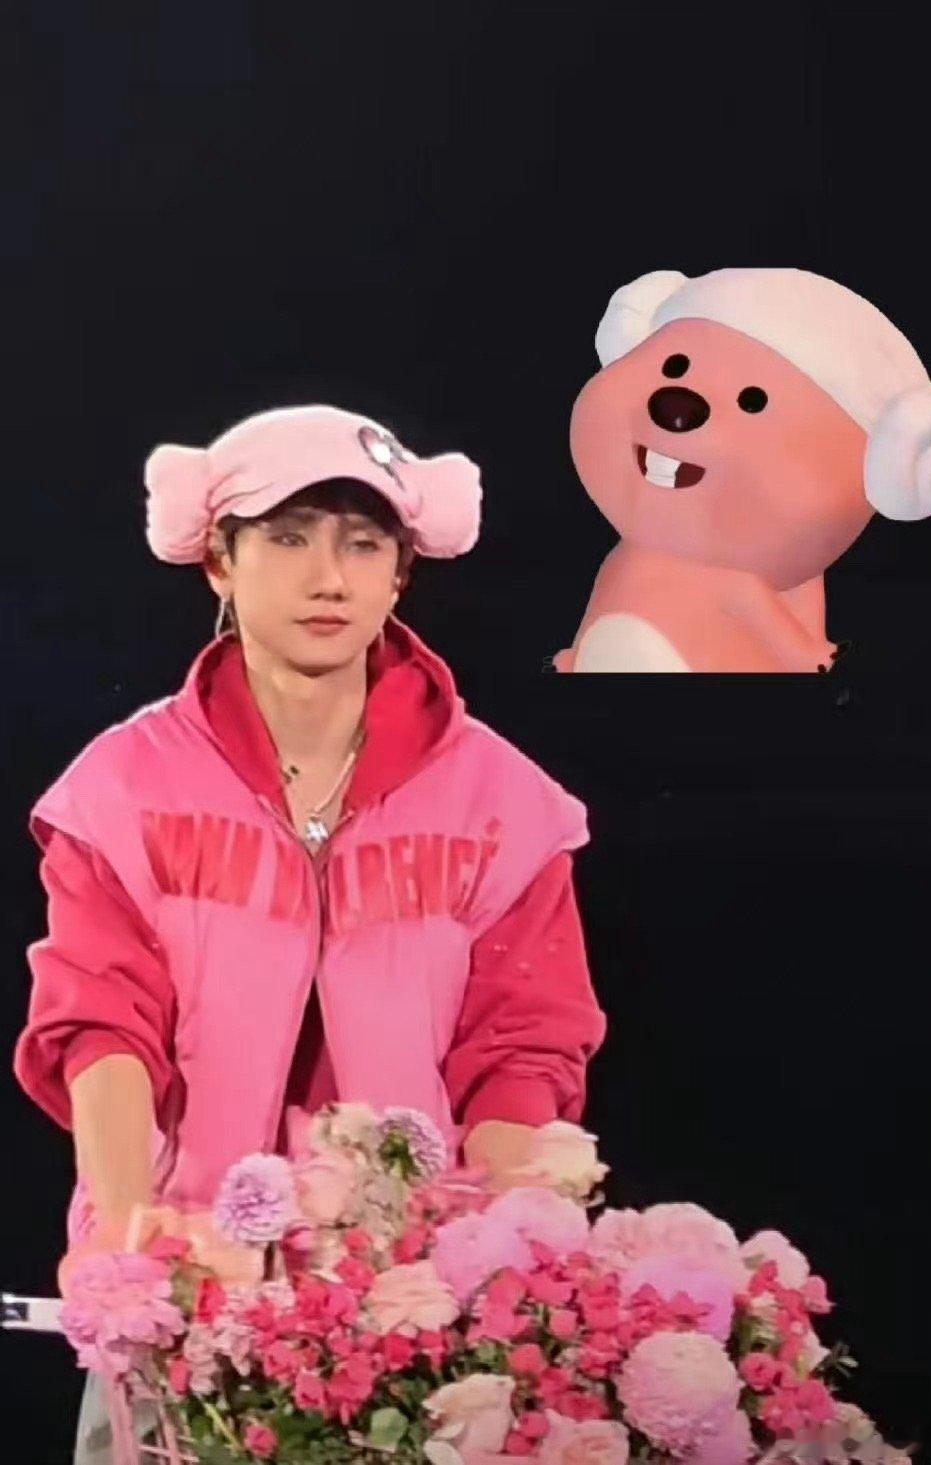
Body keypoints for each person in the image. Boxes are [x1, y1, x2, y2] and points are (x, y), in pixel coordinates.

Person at [13, 404, 607, 1462]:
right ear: (219, 560)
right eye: (287, 538)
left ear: (400, 573)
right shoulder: (122, 786)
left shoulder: (503, 802)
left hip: (417, 1306)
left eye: (363, 544)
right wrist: (130, 1220)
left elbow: (523, 1045)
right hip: (187, 1283)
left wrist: (502, 1238)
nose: (328, 578)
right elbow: (99, 1022)